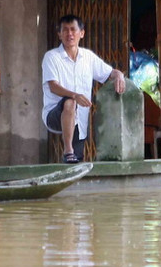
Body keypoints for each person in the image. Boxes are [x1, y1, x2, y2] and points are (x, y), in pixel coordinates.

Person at [42, 14, 126, 163]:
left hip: (79, 120)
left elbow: (109, 73)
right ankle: (68, 150)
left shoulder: (88, 57)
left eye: (73, 29)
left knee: (76, 164)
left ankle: (71, 156)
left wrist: (119, 75)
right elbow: (53, 86)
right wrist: (75, 95)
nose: (69, 34)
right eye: (65, 30)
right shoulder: (51, 57)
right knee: (70, 102)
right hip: (54, 114)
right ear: (59, 34)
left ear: (82, 33)